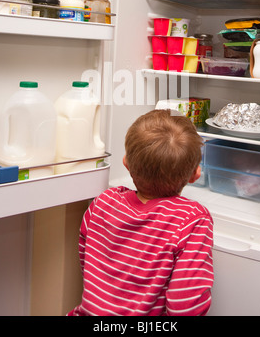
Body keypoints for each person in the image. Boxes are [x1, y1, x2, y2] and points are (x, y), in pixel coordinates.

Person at [68, 109, 213, 316]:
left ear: (126, 163)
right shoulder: (192, 219)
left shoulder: (103, 202)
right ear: (195, 175)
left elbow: (88, 263)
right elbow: (185, 305)